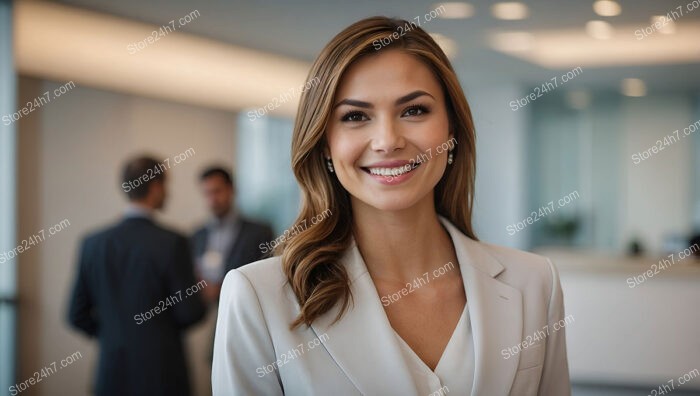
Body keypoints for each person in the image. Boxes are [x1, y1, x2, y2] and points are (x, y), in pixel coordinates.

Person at [212, 17, 571, 396]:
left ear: (451, 131)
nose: (387, 141)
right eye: (355, 116)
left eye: (414, 110)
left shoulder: (534, 283)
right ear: (325, 145)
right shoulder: (258, 296)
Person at [67, 155, 206, 396]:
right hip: (163, 375)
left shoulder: (92, 243)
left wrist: (113, 333)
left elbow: (75, 314)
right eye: (166, 186)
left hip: (111, 374)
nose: (167, 194)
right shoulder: (173, 243)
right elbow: (190, 312)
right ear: (155, 187)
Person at [191, 166, 274, 305]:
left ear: (231, 190)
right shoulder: (196, 235)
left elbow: (267, 276)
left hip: (246, 306)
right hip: (206, 311)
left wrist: (223, 288)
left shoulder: (259, 232)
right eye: (207, 193)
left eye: (217, 191)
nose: (212, 199)